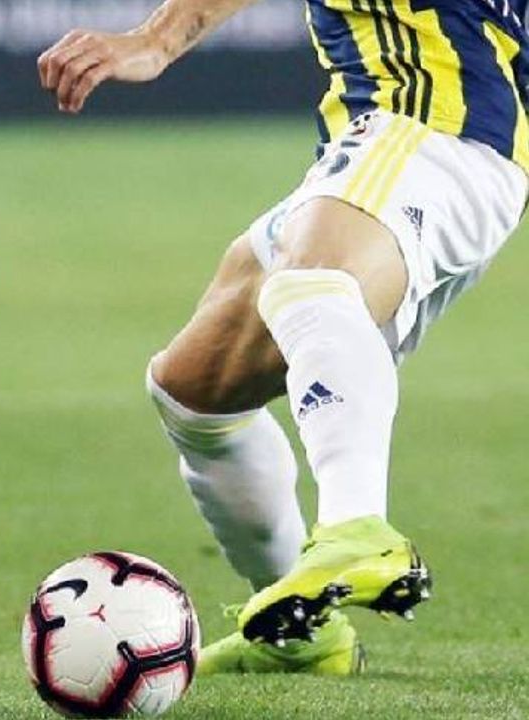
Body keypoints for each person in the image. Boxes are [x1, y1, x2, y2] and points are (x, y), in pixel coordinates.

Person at [39, 0, 527, 673]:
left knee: (309, 283)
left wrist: (156, 40)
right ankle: (302, 635)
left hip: (432, 126)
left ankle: (357, 528)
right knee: (193, 395)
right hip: (389, 143)